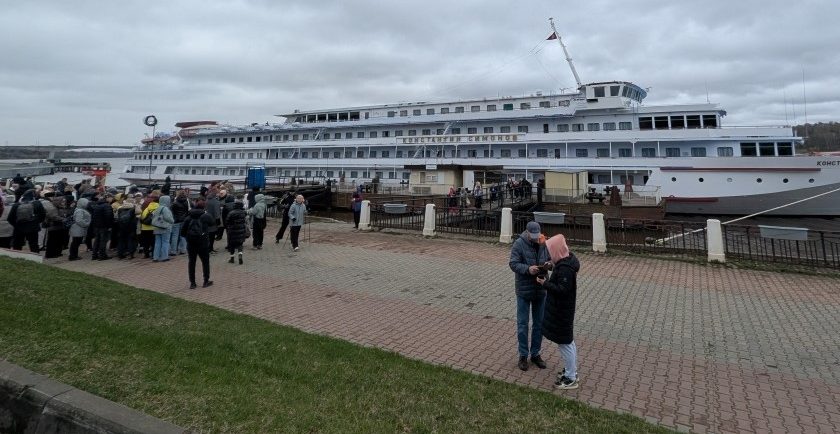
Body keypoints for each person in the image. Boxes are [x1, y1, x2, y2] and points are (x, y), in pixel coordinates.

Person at [536, 234, 581, 390]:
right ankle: (571, 371)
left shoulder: (565, 269)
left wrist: (545, 283)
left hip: (562, 310)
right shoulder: (565, 263)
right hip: (563, 309)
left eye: (551, 250)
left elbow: (562, 289)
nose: (549, 253)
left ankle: (571, 378)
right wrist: (551, 265)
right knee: (568, 342)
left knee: (565, 344)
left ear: (556, 250)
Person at [508, 221, 551, 371]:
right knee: (523, 324)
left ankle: (535, 354)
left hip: (541, 289)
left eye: (537, 236)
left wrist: (549, 265)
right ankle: (523, 355)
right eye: (533, 236)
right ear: (526, 233)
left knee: (539, 324)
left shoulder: (544, 242)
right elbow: (513, 263)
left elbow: (552, 260)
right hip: (524, 290)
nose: (535, 238)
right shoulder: (518, 244)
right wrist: (528, 269)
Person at [181, 201, 214, 288]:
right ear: (204, 207)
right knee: (205, 262)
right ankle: (206, 281)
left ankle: (192, 283)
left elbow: (182, 232)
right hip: (203, 242)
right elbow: (212, 223)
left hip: (191, 243)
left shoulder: (188, 217)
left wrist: (188, 237)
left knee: (192, 262)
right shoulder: (206, 216)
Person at [151, 195, 175, 262]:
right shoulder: (165, 209)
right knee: (165, 242)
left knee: (157, 243)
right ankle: (164, 257)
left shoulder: (157, 208)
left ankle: (155, 257)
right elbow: (167, 218)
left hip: (157, 227)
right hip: (165, 227)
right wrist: (172, 221)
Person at [225, 199, 248, 264]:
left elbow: (227, 221)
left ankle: (232, 258)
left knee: (232, 245)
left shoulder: (231, 213)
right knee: (240, 244)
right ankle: (240, 256)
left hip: (232, 231)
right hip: (241, 230)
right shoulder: (244, 212)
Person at [171, 190, 190, 255]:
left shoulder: (175, 202)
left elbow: (172, 210)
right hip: (184, 220)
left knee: (174, 236)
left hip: (176, 220)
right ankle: (183, 249)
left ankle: (173, 251)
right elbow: (188, 210)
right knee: (183, 235)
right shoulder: (187, 202)